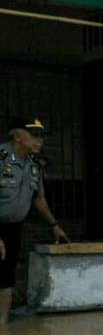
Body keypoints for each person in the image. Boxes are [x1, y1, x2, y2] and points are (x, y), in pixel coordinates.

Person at [0, 117, 68, 324]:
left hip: (13, 227)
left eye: (42, 136)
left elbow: (38, 198)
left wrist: (54, 225)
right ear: (17, 136)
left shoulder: (33, 165)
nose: (40, 141)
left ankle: (2, 325)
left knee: (6, 273)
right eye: (34, 135)